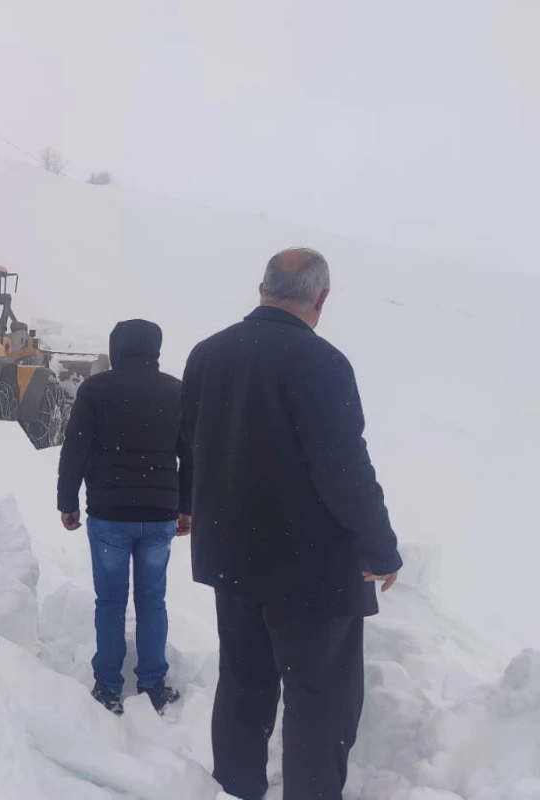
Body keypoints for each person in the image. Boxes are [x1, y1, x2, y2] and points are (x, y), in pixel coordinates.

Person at [181, 248, 403, 800]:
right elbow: (343, 468)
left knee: (243, 683)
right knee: (319, 700)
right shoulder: (321, 363)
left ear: (262, 287)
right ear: (320, 297)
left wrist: (190, 509)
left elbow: (192, 447)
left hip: (233, 557)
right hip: (310, 570)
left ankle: (235, 789)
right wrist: (380, 549)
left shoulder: (207, 354)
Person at [57, 319, 192, 716]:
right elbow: (191, 455)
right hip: (158, 515)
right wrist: (186, 507)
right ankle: (153, 684)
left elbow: (75, 450)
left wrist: (68, 501)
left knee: (111, 601)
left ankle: (109, 687)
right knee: (153, 601)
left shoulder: (97, 389)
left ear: (116, 348)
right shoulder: (175, 391)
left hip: (109, 515)